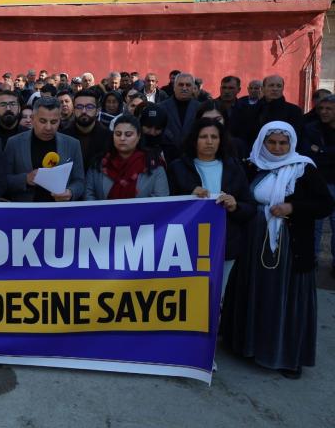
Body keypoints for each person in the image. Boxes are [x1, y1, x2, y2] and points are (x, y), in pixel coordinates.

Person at [222, 121, 334, 379]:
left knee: (282, 298)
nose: (277, 147)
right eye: (271, 142)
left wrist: (292, 208)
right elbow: (239, 196)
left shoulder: (303, 168)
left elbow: (324, 204)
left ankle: (286, 357)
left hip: (288, 247)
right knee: (253, 292)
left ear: (291, 143)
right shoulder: (251, 165)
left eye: (283, 143)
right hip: (253, 243)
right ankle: (246, 346)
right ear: (262, 142)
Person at [167, 119, 255, 298]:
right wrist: (188, 195)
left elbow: (250, 207)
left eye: (214, 137)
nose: (209, 141)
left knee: (217, 298)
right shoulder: (177, 167)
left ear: (221, 140)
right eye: (203, 137)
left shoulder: (234, 168)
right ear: (194, 140)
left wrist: (235, 206)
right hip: (186, 246)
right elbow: (165, 206)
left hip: (224, 246)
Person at [4, 97, 85, 202]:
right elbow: (3, 180)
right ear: (33, 119)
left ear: (60, 120)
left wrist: (70, 192)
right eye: (42, 121)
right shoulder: (14, 143)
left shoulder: (73, 144)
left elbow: (80, 181)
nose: (48, 127)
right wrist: (26, 179)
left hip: (59, 211)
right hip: (26, 210)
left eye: (54, 122)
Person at [85, 114, 169, 200]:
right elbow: (89, 194)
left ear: (139, 136)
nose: (122, 138)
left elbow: (160, 200)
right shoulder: (99, 163)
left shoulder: (153, 164)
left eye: (128, 134)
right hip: (102, 213)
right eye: (118, 134)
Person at [299, 94, 335, 271]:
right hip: (317, 181)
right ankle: (311, 260)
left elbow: (319, 153)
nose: (324, 112)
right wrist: (323, 153)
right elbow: (308, 153)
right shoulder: (311, 128)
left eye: (329, 109)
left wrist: (321, 151)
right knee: (316, 225)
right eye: (321, 108)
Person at [64, 91, 111, 172]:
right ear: (73, 110)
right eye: (79, 107)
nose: (84, 111)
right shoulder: (63, 137)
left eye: (89, 107)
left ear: (97, 111)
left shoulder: (109, 137)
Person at [158, 73, 199, 154]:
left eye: (188, 85)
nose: (184, 88)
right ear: (174, 87)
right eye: (181, 85)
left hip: (192, 155)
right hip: (168, 155)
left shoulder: (200, 108)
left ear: (193, 88)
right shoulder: (161, 108)